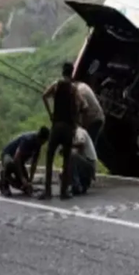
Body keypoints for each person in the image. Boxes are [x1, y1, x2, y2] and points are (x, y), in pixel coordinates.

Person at [38, 61, 83, 200]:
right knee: (67, 160)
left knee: (50, 157)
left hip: (56, 126)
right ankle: (63, 192)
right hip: (68, 128)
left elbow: (44, 96)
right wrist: (75, 119)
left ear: (63, 72)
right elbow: (81, 104)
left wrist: (51, 114)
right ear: (72, 72)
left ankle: (48, 191)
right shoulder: (74, 89)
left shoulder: (56, 85)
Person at [0, 126, 50, 197]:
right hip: (8, 155)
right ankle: (4, 183)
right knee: (11, 165)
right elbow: (17, 158)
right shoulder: (28, 140)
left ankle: (19, 182)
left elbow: (34, 163)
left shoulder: (38, 144)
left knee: (25, 186)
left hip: (19, 161)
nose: (44, 143)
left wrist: (30, 181)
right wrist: (22, 178)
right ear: (41, 138)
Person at [75, 80, 105, 147]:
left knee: (88, 144)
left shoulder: (78, 92)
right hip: (98, 116)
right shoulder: (83, 85)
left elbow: (85, 107)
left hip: (94, 119)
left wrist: (81, 125)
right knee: (90, 143)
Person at [70, 125, 97, 195]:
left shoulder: (80, 131)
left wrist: (69, 145)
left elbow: (81, 143)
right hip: (85, 163)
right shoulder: (73, 135)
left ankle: (76, 186)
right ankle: (81, 184)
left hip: (89, 163)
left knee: (72, 156)